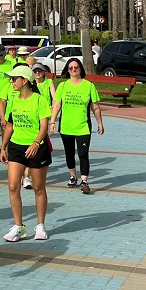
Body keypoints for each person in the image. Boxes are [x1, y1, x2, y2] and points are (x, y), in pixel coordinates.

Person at [2, 65, 52, 241]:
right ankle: (19, 226)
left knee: (38, 188)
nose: (11, 82)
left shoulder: (39, 100)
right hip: (16, 146)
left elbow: (44, 126)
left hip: (36, 147)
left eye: (14, 79)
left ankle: (40, 225)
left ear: (25, 81)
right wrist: (3, 147)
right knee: (13, 186)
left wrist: (36, 143)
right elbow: (10, 125)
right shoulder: (13, 99)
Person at [50, 57, 105, 194]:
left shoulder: (89, 86)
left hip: (83, 127)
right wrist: (52, 121)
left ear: (80, 68)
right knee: (69, 153)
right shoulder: (63, 86)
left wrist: (100, 123)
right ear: (67, 70)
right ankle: (73, 176)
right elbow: (56, 104)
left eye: (76, 67)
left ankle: (84, 181)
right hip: (66, 126)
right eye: (71, 68)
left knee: (83, 154)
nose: (74, 69)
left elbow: (95, 107)